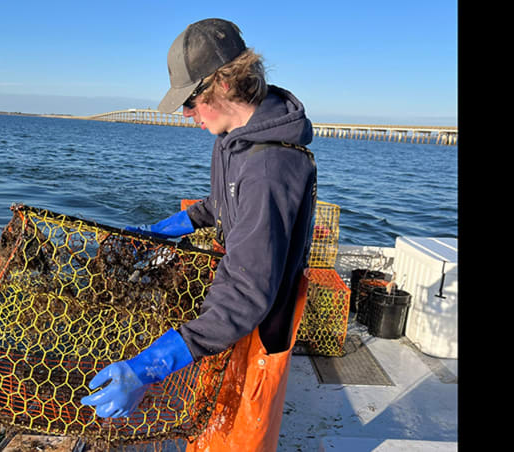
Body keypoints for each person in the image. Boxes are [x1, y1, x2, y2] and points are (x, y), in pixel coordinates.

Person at [81, 18, 317, 451]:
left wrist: (146, 368)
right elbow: (222, 206)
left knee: (241, 437)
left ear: (223, 85)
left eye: (190, 101)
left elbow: (247, 295)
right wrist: (163, 231)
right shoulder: (233, 138)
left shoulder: (270, 167)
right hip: (235, 317)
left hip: (262, 329)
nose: (187, 114)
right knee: (209, 430)